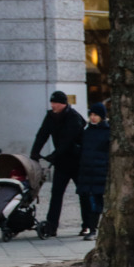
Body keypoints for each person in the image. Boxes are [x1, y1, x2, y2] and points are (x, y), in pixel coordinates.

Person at [29, 91, 85, 237]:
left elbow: (68, 140)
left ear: (63, 104)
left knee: (83, 193)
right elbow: (42, 134)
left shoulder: (74, 118)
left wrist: (54, 155)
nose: (53, 105)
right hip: (62, 162)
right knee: (56, 194)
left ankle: (87, 225)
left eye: (56, 103)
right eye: (52, 103)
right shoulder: (50, 117)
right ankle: (52, 226)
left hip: (77, 161)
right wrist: (34, 153)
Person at [77, 102, 109, 241]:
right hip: (87, 171)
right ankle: (89, 227)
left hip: (100, 171)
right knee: (86, 200)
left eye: (96, 115)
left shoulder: (108, 132)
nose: (93, 117)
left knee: (97, 201)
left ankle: (94, 229)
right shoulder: (87, 132)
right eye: (91, 114)